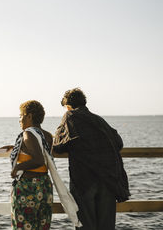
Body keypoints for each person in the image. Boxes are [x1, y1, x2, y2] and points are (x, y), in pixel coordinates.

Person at [53, 88, 130, 230]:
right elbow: (118, 142)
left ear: (68, 105)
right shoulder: (99, 120)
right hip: (108, 179)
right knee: (106, 226)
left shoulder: (70, 116)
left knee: (86, 224)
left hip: (85, 180)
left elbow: (58, 146)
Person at [7, 100, 54, 230]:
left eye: (21, 115)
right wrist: (17, 147)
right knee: (42, 226)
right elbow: (40, 153)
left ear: (29, 116)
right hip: (44, 186)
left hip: (28, 187)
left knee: (23, 226)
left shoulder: (28, 133)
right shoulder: (48, 136)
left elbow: (38, 159)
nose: (19, 119)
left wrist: (17, 167)